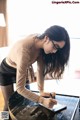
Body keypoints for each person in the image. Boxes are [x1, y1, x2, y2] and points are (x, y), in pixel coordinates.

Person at [0, 25, 70, 111]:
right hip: (6, 71)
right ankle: (4, 118)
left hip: (23, 69)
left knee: (24, 102)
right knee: (8, 104)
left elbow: (40, 70)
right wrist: (42, 100)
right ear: (47, 38)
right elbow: (20, 88)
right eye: (55, 46)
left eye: (58, 49)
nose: (55, 51)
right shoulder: (24, 51)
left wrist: (41, 91)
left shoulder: (40, 43)